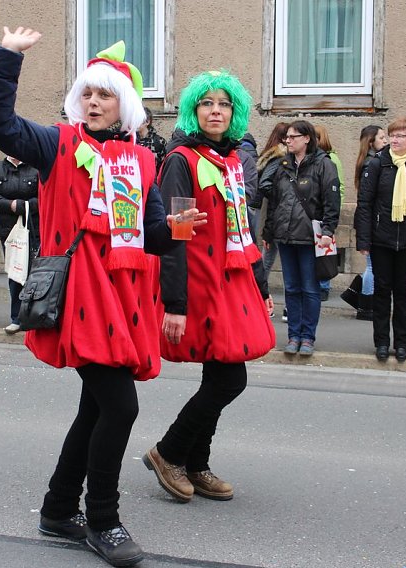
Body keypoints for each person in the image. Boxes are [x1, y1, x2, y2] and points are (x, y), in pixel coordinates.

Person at [0, 27, 200, 568]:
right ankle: (103, 518)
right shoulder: (56, 145)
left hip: (122, 298)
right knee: (120, 406)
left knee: (95, 407)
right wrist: (8, 57)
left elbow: (148, 233)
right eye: (88, 93)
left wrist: (173, 226)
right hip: (78, 296)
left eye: (106, 95)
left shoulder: (140, 162)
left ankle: (58, 509)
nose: (95, 102)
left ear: (124, 105)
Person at [143, 71, 275, 507]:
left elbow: (244, 230)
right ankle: (169, 452)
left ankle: (196, 464)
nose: (216, 110)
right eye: (207, 103)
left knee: (221, 374)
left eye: (224, 104)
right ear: (193, 111)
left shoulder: (232, 160)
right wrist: (175, 303)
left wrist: (260, 283)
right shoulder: (181, 160)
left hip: (235, 279)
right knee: (229, 379)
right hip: (200, 282)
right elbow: (175, 235)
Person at [354, 117, 406, 362]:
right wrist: (364, 241)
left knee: (403, 293)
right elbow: (365, 204)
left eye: (401, 136)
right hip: (382, 239)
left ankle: (401, 343)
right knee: (382, 292)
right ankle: (381, 342)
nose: (395, 140)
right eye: (392, 135)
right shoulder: (378, 164)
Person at [263, 120, 341, 356]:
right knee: (292, 288)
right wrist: (269, 232)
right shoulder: (282, 165)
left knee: (310, 288)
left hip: (310, 237)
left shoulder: (323, 164)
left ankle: (308, 337)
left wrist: (328, 231)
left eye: (293, 137)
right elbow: (274, 202)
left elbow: (331, 200)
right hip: (285, 236)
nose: (288, 141)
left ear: (307, 138)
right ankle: (293, 335)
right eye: (287, 137)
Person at [0, 155, 40, 333]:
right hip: (9, 230)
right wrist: (10, 205)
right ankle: (16, 317)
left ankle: (34, 317)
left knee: (34, 273)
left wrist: (25, 205)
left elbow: (46, 194)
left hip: (33, 228)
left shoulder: (35, 167)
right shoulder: (0, 168)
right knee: (15, 274)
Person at [352, 125, 389, 320]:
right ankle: (366, 305)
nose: (386, 141)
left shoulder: (370, 161)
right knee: (373, 266)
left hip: (369, 218)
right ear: (371, 141)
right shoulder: (371, 163)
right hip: (370, 220)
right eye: (381, 138)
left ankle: (366, 303)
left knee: (372, 265)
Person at [253, 122, 289, 300]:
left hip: (268, 207)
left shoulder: (270, 153)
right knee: (269, 254)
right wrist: (281, 194)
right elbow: (265, 182)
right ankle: (258, 294)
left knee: (268, 254)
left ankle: (257, 293)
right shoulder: (279, 156)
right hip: (271, 208)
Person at [314, 125, 345, 301]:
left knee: (324, 251)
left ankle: (324, 286)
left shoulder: (331, 159)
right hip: (313, 213)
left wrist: (333, 210)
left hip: (326, 212)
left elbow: (338, 187)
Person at [136, 106, 167, 173]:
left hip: (153, 181)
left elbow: (164, 169)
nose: (134, 122)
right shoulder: (130, 141)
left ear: (147, 122)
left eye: (137, 119)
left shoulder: (159, 142)